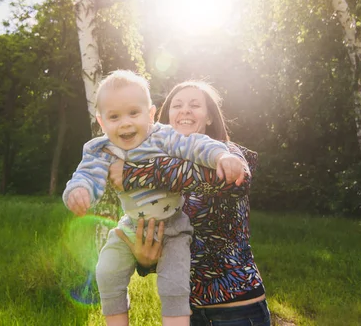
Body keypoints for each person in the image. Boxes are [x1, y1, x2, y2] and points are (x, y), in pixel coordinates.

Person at [63, 70, 247, 326]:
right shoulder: (101, 149)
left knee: (174, 283)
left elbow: (196, 147)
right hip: (132, 226)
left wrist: (222, 157)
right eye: (114, 117)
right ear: (102, 122)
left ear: (150, 115)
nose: (125, 123)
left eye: (194, 105)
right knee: (106, 271)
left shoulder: (168, 138)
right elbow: (87, 173)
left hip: (228, 296)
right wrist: (79, 191)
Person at [109, 81, 270, 326]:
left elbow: (236, 181)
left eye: (195, 105)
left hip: (236, 311)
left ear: (209, 118)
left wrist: (133, 173)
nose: (185, 110)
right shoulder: (155, 162)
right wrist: (144, 260)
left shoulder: (228, 152)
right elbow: (168, 245)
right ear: (166, 117)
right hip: (184, 314)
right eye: (177, 105)